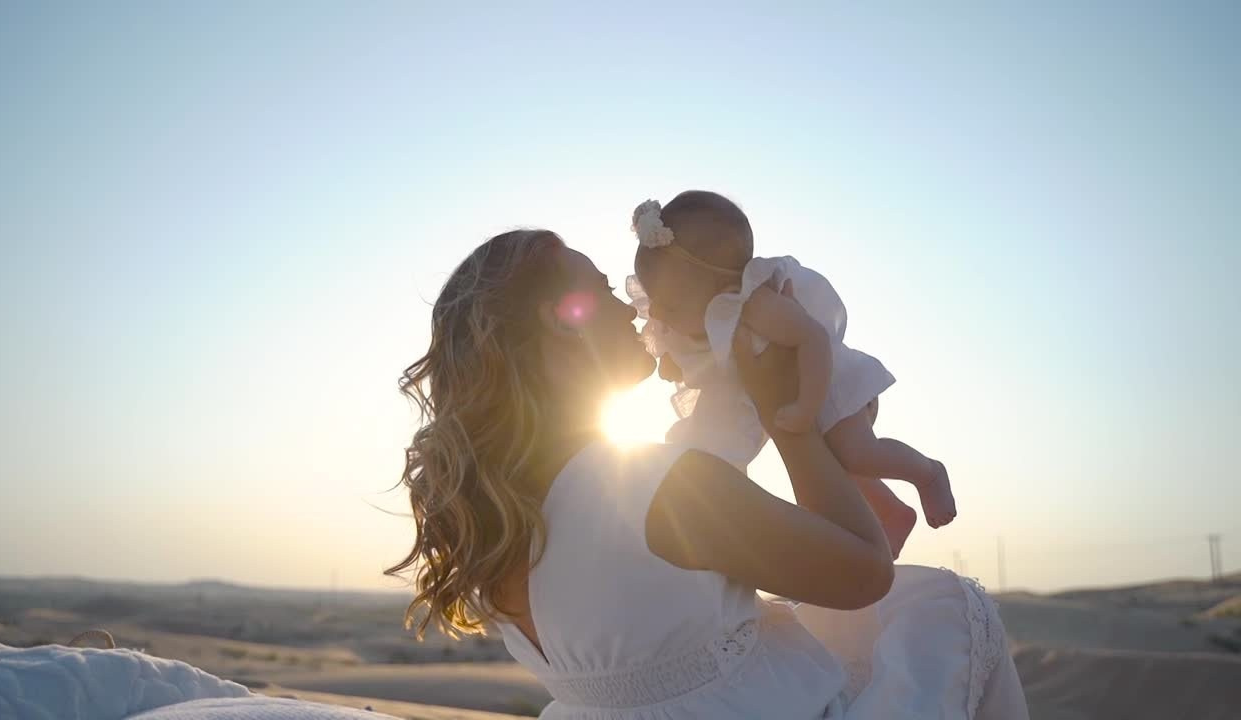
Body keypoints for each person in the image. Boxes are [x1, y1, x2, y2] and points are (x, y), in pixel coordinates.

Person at [389, 229, 1029, 718]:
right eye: (607, 290)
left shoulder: (493, 519)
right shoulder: (658, 484)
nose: (633, 310)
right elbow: (866, 571)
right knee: (945, 609)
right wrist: (791, 417)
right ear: (563, 320)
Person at [626, 191, 955, 555]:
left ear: (722, 287)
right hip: (785, 394)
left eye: (668, 302)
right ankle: (890, 514)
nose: (656, 312)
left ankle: (927, 472)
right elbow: (694, 351)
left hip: (828, 384)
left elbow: (811, 338)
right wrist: (675, 360)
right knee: (834, 470)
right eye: (652, 297)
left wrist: (806, 408)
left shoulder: (757, 304)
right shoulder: (687, 311)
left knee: (855, 454)